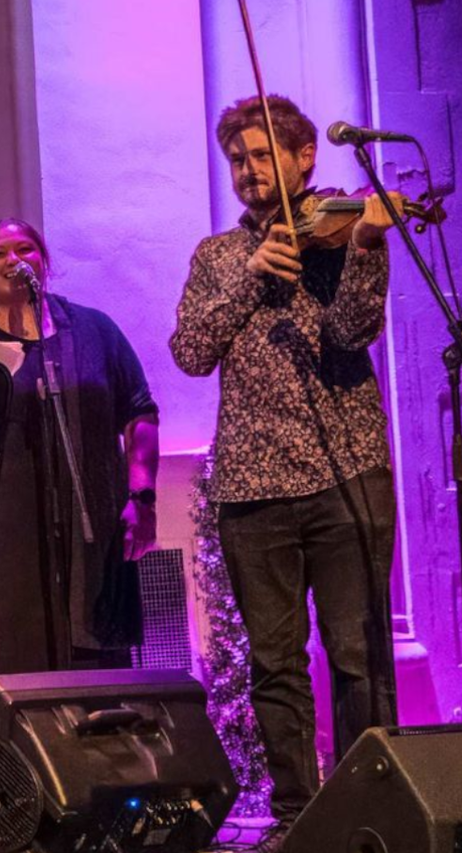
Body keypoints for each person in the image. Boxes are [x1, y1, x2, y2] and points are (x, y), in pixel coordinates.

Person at [171, 95, 396, 848]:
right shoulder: (217, 255)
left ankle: (373, 805)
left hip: (345, 469)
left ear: (305, 158)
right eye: (237, 158)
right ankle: (300, 813)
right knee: (274, 662)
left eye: (263, 155)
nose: (248, 170)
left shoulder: (338, 236)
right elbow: (191, 351)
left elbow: (351, 329)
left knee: (358, 650)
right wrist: (252, 277)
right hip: (251, 487)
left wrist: (365, 244)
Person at [0, 219, 161, 680]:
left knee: (94, 665)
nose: (14, 260)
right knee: (4, 669)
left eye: (25, 249)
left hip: (88, 535)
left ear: (44, 263)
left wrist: (142, 497)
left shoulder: (94, 331)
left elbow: (139, 413)